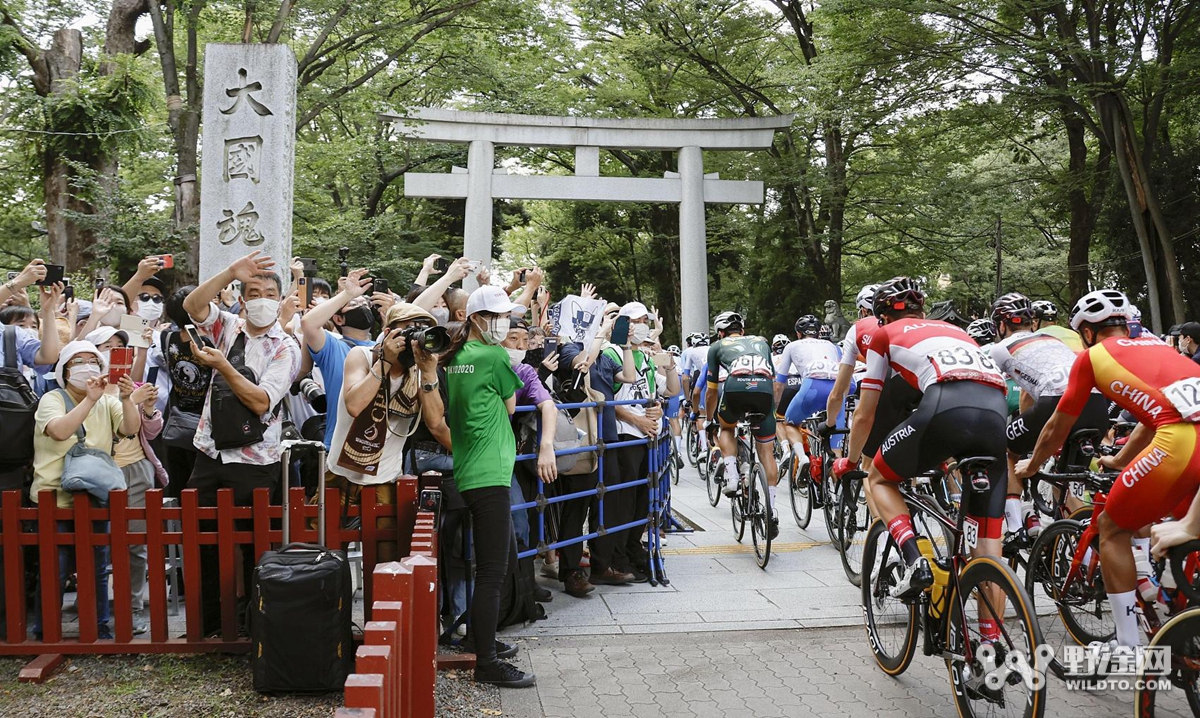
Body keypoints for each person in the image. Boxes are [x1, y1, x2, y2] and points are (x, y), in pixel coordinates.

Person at [1016, 289, 1200, 648]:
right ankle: (1179, 611)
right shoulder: (1164, 349)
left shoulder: (1092, 357)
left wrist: (1031, 464)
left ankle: (1129, 644)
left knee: (1112, 528)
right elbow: (1152, 418)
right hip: (1186, 437)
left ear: (1086, 332)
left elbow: (1057, 426)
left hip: (1179, 444)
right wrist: (1119, 460)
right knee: (1179, 528)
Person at [838, 277, 1009, 606]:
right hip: (994, 414)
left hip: (947, 404)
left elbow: (865, 412)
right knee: (987, 552)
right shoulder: (957, 332)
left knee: (879, 478)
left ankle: (915, 559)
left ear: (882, 316)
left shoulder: (883, 333)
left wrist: (850, 460)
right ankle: (988, 644)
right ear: (922, 310)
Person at [182, 251, 301, 637]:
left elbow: (262, 401)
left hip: (255, 459)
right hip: (210, 450)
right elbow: (193, 305)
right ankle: (209, 623)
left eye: (269, 292)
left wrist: (223, 367)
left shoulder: (285, 347)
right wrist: (228, 272)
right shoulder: (228, 326)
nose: (261, 298)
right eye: (253, 291)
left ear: (279, 299)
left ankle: (255, 626)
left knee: (255, 545)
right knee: (202, 540)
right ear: (243, 298)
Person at [445, 285, 535, 688]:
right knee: (493, 571)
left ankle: (485, 641)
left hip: (470, 468)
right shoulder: (494, 355)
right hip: (490, 472)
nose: (504, 322)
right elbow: (512, 404)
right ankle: (486, 662)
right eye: (497, 317)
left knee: (493, 565)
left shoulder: (457, 357)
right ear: (476, 319)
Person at [31, 340, 143, 640]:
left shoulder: (108, 402)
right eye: (77, 362)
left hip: (95, 497)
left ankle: (98, 626)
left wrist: (127, 398)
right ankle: (47, 629)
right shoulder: (52, 399)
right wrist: (90, 400)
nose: (86, 367)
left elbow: (130, 429)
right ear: (65, 370)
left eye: (92, 361)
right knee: (55, 567)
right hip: (53, 497)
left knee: (96, 567)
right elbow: (60, 430)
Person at [329, 303, 448, 562]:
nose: (415, 338)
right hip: (340, 471)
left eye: (422, 331)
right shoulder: (362, 355)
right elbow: (354, 405)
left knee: (385, 561)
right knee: (328, 553)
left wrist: (428, 372)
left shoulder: (419, 372)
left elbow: (435, 420)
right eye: (409, 331)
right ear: (388, 332)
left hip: (385, 478)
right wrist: (384, 361)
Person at [989, 293, 1108, 550]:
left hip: (1058, 401)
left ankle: (1015, 529)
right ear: (1032, 322)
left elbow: (999, 391)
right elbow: (1029, 392)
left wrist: (1022, 435)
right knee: (1067, 480)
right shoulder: (1052, 340)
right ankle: (1081, 553)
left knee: (1003, 449)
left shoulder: (1000, 348)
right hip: (1097, 404)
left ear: (1000, 325)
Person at [84, 326, 164, 635]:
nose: (115, 351)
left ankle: (132, 608)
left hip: (135, 468)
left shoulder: (134, 385)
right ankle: (97, 609)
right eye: (107, 345)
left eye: (120, 345)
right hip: (96, 471)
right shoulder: (83, 390)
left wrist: (146, 406)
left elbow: (152, 431)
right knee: (95, 541)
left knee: (135, 542)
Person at [556, 304, 637, 591]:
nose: (610, 321)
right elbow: (582, 364)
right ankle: (570, 572)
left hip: (608, 438)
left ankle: (602, 566)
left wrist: (626, 346)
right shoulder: (570, 348)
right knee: (576, 507)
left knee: (608, 505)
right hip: (583, 441)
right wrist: (600, 332)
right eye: (605, 315)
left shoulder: (605, 355)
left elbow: (629, 377)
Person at [605, 302, 678, 579]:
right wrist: (637, 420)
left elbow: (668, 390)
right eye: (638, 320)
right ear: (624, 324)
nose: (643, 325)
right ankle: (618, 555)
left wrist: (668, 368)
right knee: (622, 501)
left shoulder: (646, 358)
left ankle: (633, 549)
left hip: (647, 436)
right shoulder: (610, 353)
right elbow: (606, 399)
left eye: (646, 320)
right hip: (625, 435)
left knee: (641, 499)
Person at [704, 311, 780, 538]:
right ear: (743, 331)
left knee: (726, 427)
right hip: (765, 391)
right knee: (766, 452)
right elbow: (774, 383)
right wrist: (771, 411)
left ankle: (732, 475)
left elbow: (711, 391)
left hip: (736, 387)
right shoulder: (762, 342)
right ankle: (772, 510)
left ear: (720, 332)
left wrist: (710, 420)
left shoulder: (717, 346)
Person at [300, 267, 377, 449]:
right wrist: (346, 294)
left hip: (378, 449)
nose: (362, 307)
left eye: (365, 304)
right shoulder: (333, 347)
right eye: (353, 304)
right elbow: (308, 323)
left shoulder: (383, 347)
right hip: (339, 446)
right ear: (339, 319)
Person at [0, 279, 63, 489]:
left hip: (7, 445)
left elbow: (48, 356)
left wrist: (48, 312)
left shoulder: (10, 334)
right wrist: (19, 282)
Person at [777, 314, 842, 470]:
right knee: (836, 448)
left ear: (799, 334)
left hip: (812, 386)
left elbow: (779, 383)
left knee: (789, 423)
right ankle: (839, 489)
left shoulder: (792, 346)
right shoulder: (832, 346)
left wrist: (774, 405)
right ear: (819, 333)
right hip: (838, 388)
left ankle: (802, 457)